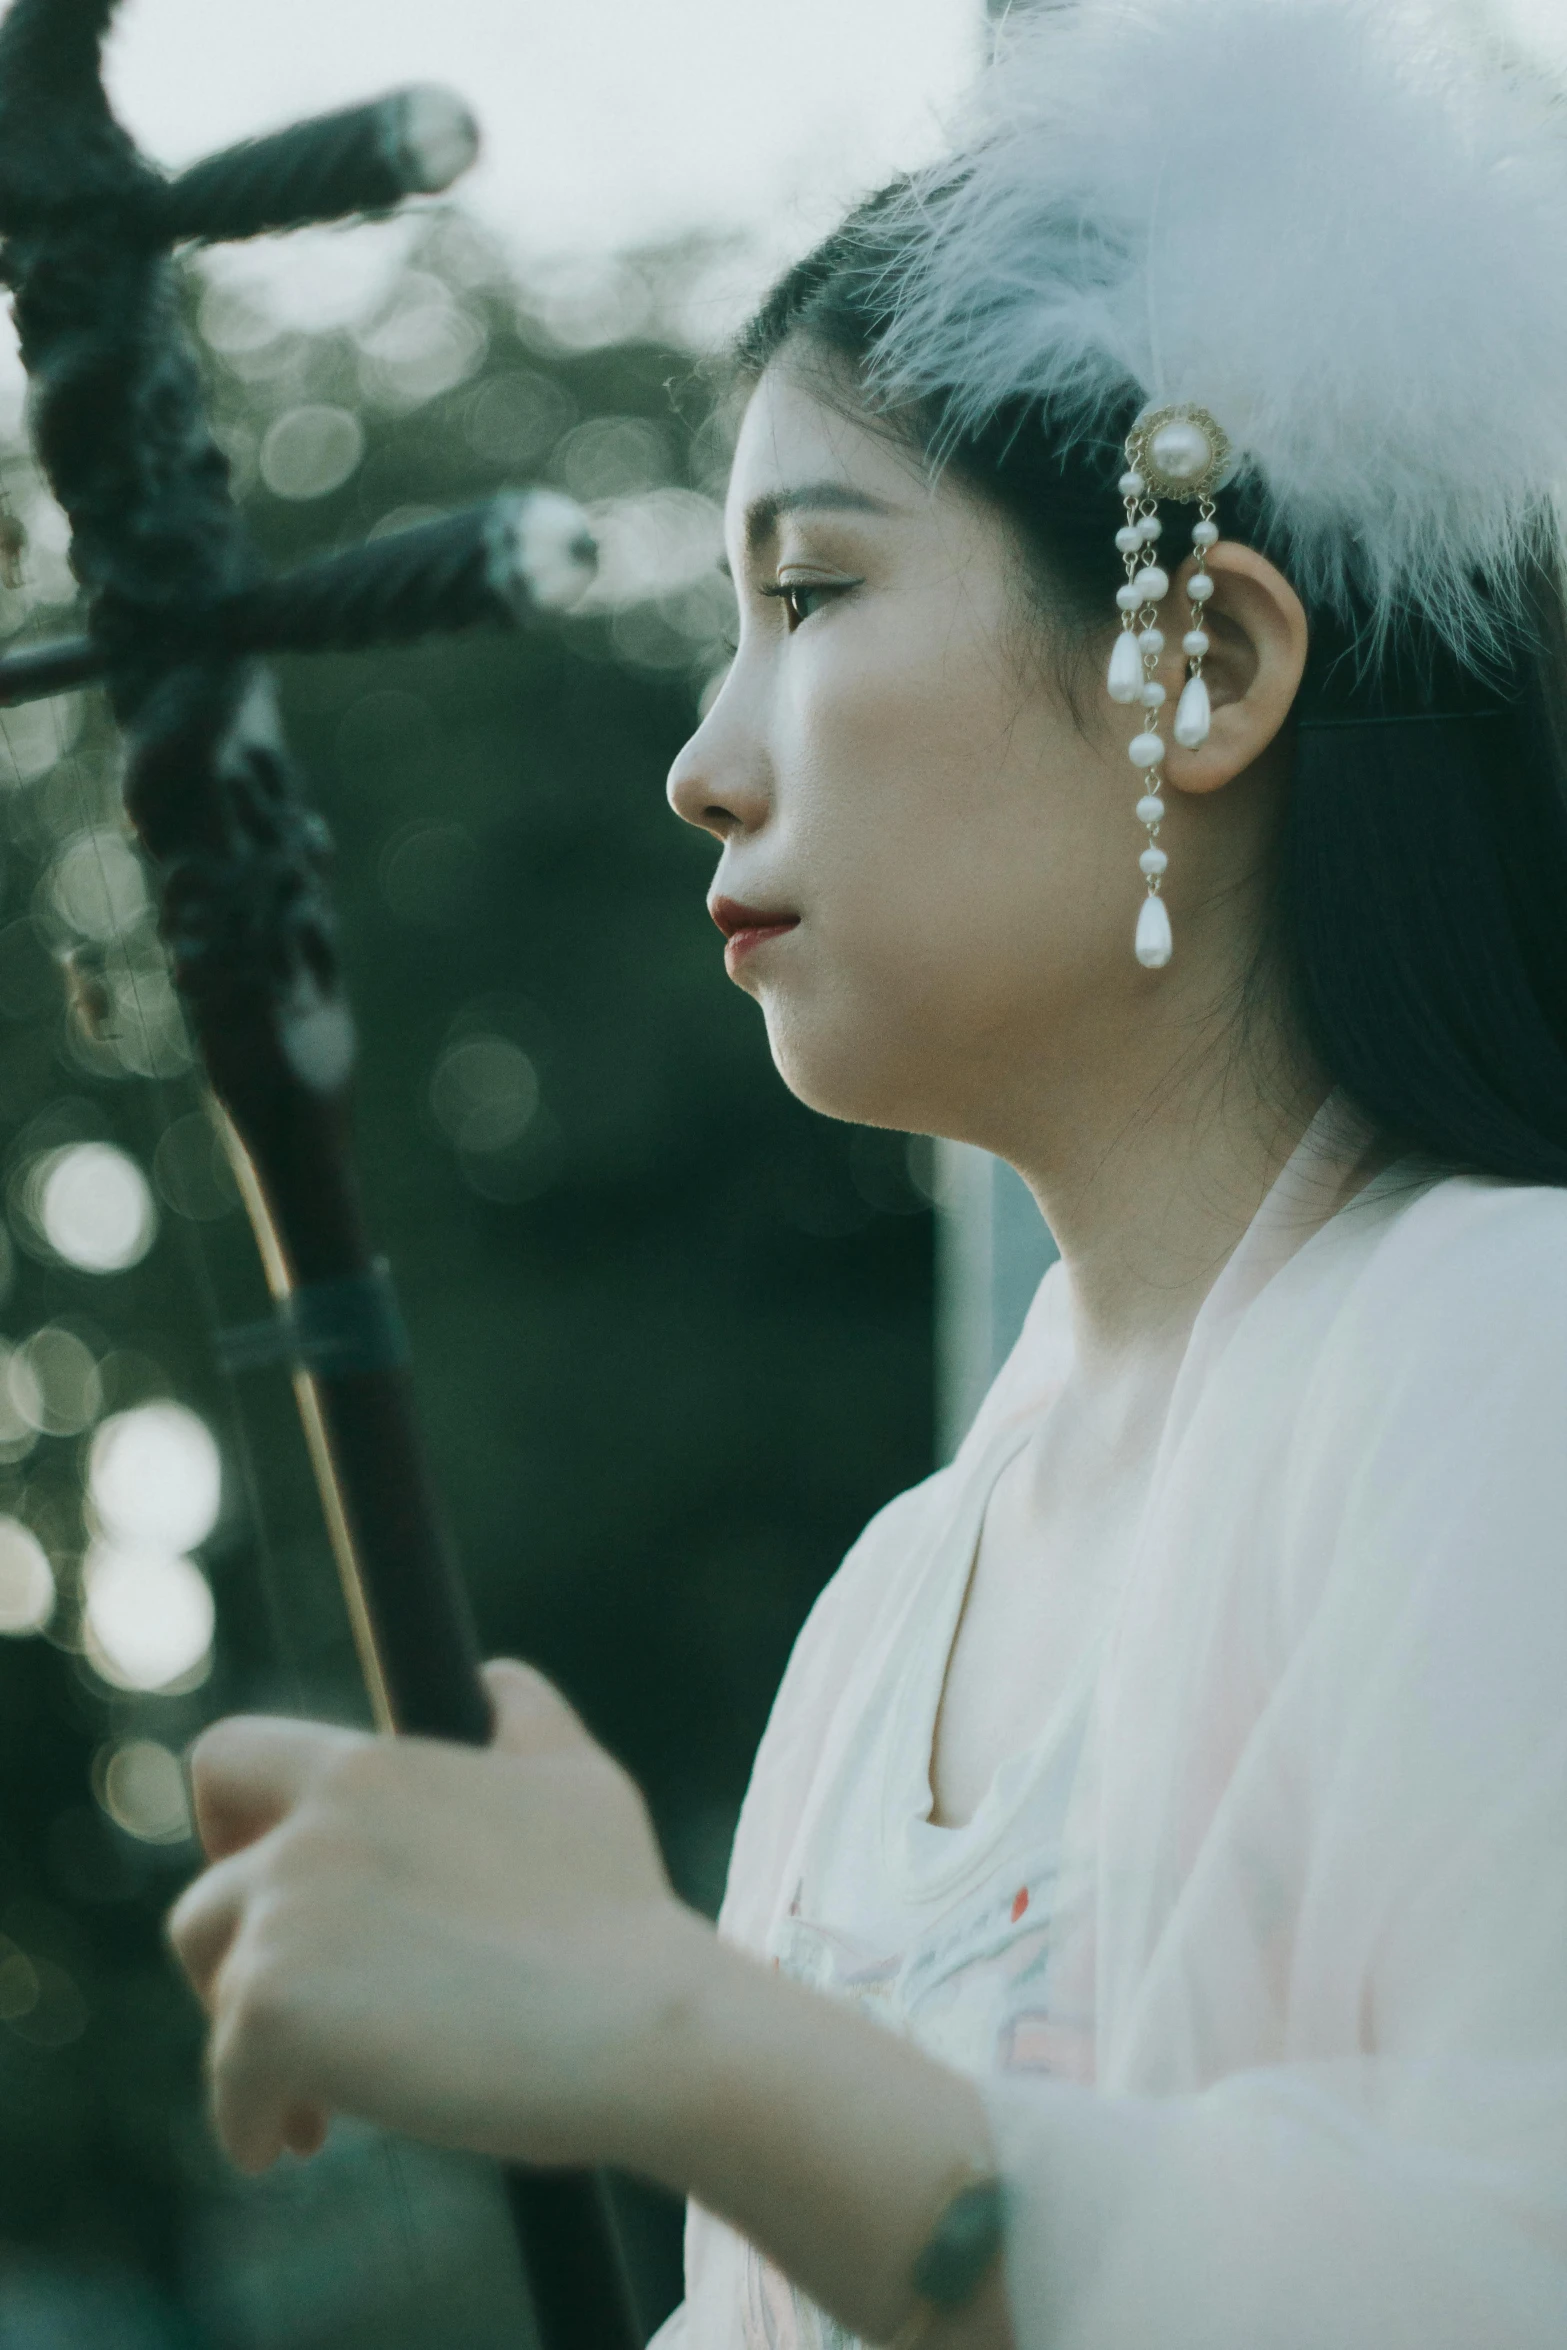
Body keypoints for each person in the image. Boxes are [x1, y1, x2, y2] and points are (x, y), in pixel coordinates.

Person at [167, 3, 1567, 2344]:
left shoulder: (1501, 1358)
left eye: (807, 595)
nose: (707, 761)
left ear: (1200, 658)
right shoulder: (900, 1597)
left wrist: (663, 2022)